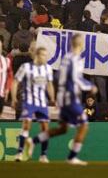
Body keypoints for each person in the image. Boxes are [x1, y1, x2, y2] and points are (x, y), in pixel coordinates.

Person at [27, 34, 97, 165]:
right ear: (81, 45)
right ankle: (72, 157)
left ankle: (33, 141)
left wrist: (59, 99)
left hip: (64, 99)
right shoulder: (75, 59)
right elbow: (76, 79)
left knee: (62, 129)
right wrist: (90, 86)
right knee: (84, 126)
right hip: (71, 98)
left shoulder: (66, 58)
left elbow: (59, 78)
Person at [11, 47, 55, 162]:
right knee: (26, 125)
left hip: (42, 102)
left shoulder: (48, 69)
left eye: (46, 56)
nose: (46, 58)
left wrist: (53, 98)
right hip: (29, 101)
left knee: (45, 128)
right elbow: (15, 82)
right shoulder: (26, 67)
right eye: (43, 55)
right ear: (37, 55)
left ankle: (43, 155)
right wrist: (14, 97)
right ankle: (20, 153)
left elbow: (49, 84)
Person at [0, 39, 13, 115]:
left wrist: (7, 89)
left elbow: (10, 76)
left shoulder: (6, 61)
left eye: (0, 47)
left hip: (1, 94)